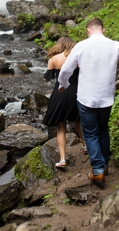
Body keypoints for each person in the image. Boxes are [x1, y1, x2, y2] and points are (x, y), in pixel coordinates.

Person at [58, 17, 119, 186]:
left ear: (88, 31)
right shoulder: (114, 45)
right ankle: (105, 165)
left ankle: (98, 171)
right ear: (103, 30)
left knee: (90, 133)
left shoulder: (81, 46)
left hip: (86, 98)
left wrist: (63, 85)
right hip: (106, 98)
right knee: (102, 130)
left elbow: (65, 70)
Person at [41, 36, 86, 169]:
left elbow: (46, 79)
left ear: (59, 45)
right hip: (77, 93)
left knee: (61, 126)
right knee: (78, 121)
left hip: (60, 94)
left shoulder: (53, 60)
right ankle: (85, 146)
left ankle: (62, 159)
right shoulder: (77, 58)